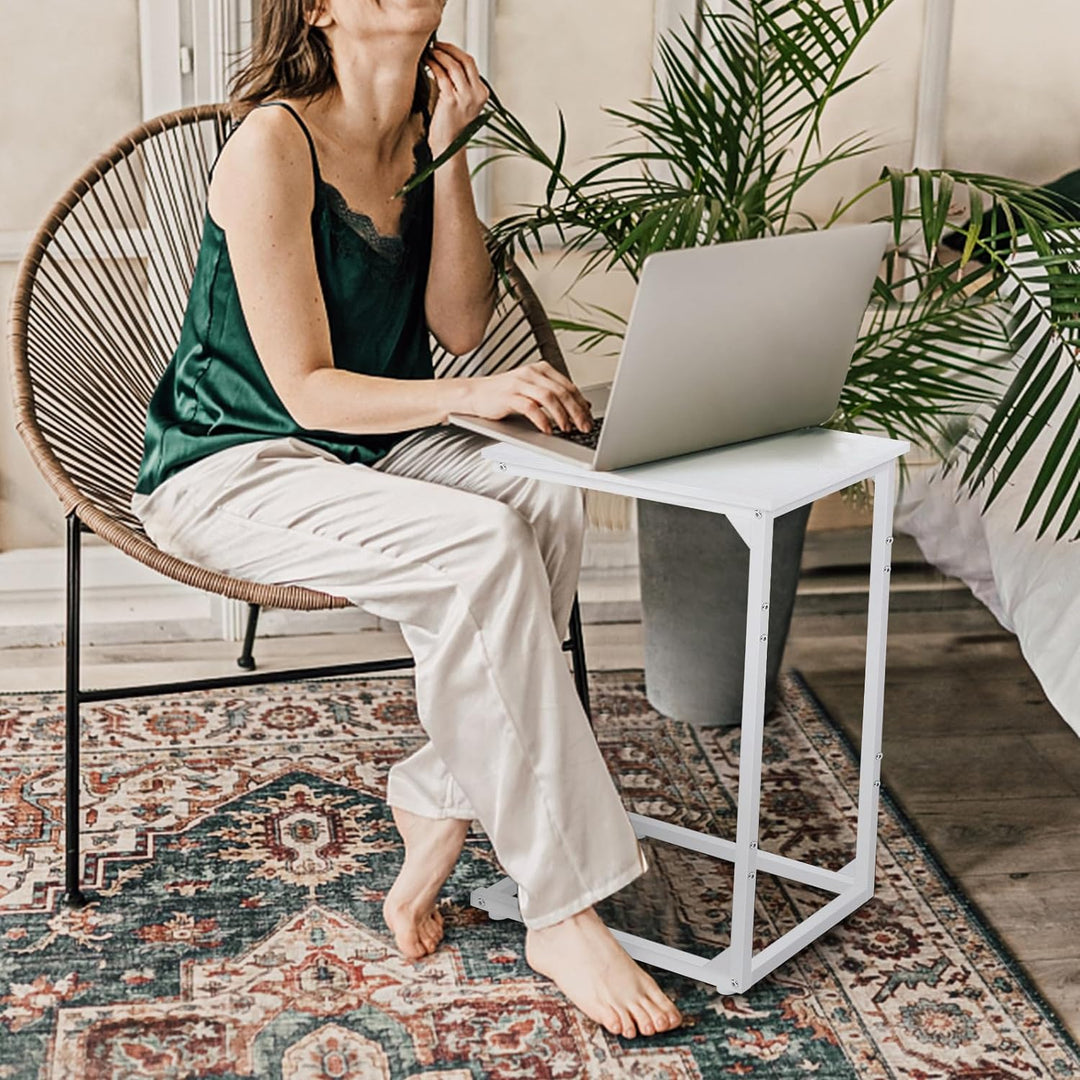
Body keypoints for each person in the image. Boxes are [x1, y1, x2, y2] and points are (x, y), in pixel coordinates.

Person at [129, 0, 682, 1040]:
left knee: (544, 487)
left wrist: (454, 155)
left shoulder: (424, 131)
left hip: (368, 450)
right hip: (231, 465)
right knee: (479, 541)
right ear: (319, 10)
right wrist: (469, 398)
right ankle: (561, 908)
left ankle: (438, 790)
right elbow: (303, 391)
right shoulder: (272, 143)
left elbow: (460, 323)